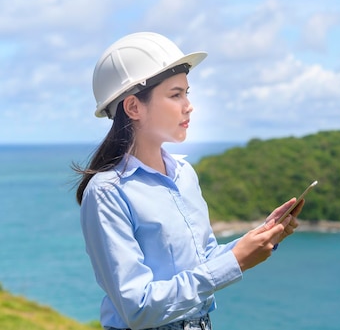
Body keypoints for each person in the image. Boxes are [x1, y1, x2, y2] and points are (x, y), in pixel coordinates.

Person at [75, 32, 303, 330]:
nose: (189, 105)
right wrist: (236, 261)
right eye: (175, 94)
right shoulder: (107, 191)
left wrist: (259, 239)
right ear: (133, 107)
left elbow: (203, 258)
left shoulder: (184, 174)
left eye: (187, 92)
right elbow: (137, 307)